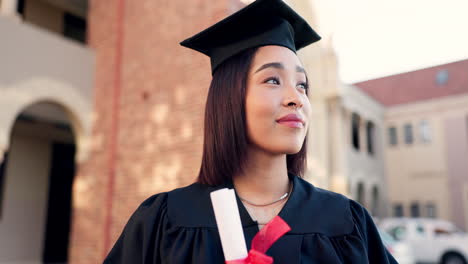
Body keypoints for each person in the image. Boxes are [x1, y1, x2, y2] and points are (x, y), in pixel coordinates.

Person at [104, 0, 398, 263]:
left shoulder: (345, 222)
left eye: (302, 85)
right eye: (272, 80)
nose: (296, 98)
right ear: (230, 98)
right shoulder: (166, 220)